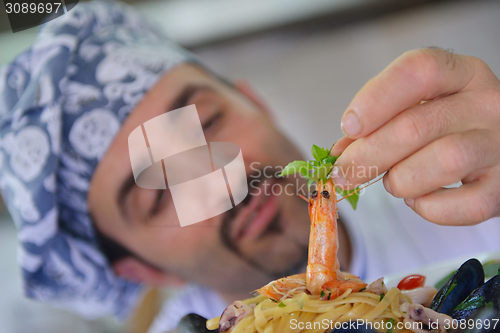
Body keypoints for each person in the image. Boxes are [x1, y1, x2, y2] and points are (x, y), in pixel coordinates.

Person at [0, 1, 499, 331]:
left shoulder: (464, 179)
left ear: (253, 101)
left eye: (207, 121)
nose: (219, 180)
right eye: (157, 192)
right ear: (141, 268)